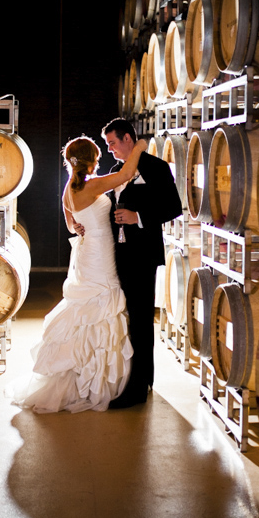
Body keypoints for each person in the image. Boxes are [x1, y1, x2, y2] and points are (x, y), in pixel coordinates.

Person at [6, 134, 147, 413]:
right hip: (100, 253)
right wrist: (141, 146)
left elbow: (72, 227)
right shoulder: (93, 185)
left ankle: (82, 371)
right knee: (102, 304)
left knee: (85, 308)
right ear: (91, 160)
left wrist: (83, 227)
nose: (100, 160)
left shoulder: (69, 190)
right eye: (97, 157)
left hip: (86, 252)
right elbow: (127, 173)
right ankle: (97, 380)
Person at [102, 118, 183, 408]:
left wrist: (138, 217)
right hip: (119, 255)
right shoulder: (115, 172)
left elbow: (174, 207)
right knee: (128, 318)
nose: (110, 149)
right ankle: (139, 378)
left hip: (143, 255)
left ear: (127, 139)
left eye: (112, 143)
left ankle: (137, 389)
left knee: (140, 320)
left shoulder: (156, 167)